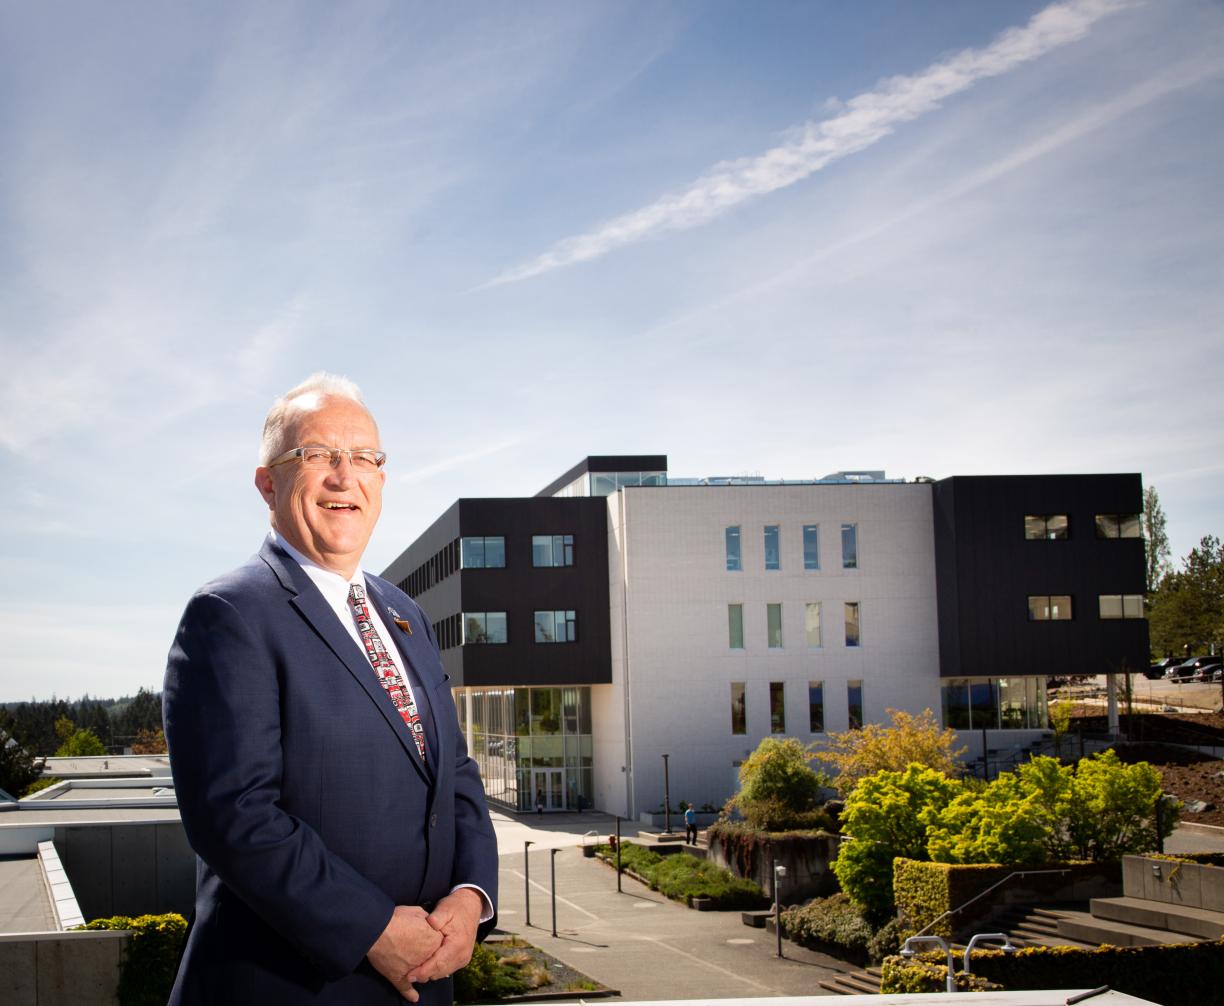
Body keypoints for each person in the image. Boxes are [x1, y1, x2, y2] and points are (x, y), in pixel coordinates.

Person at [163, 374, 498, 1005]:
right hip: (289, 988)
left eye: (366, 458)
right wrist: (372, 928)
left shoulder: (405, 613)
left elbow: (453, 769)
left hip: (425, 980)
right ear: (268, 482)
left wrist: (471, 895)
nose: (347, 477)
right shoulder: (229, 614)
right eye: (318, 456)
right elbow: (235, 816)